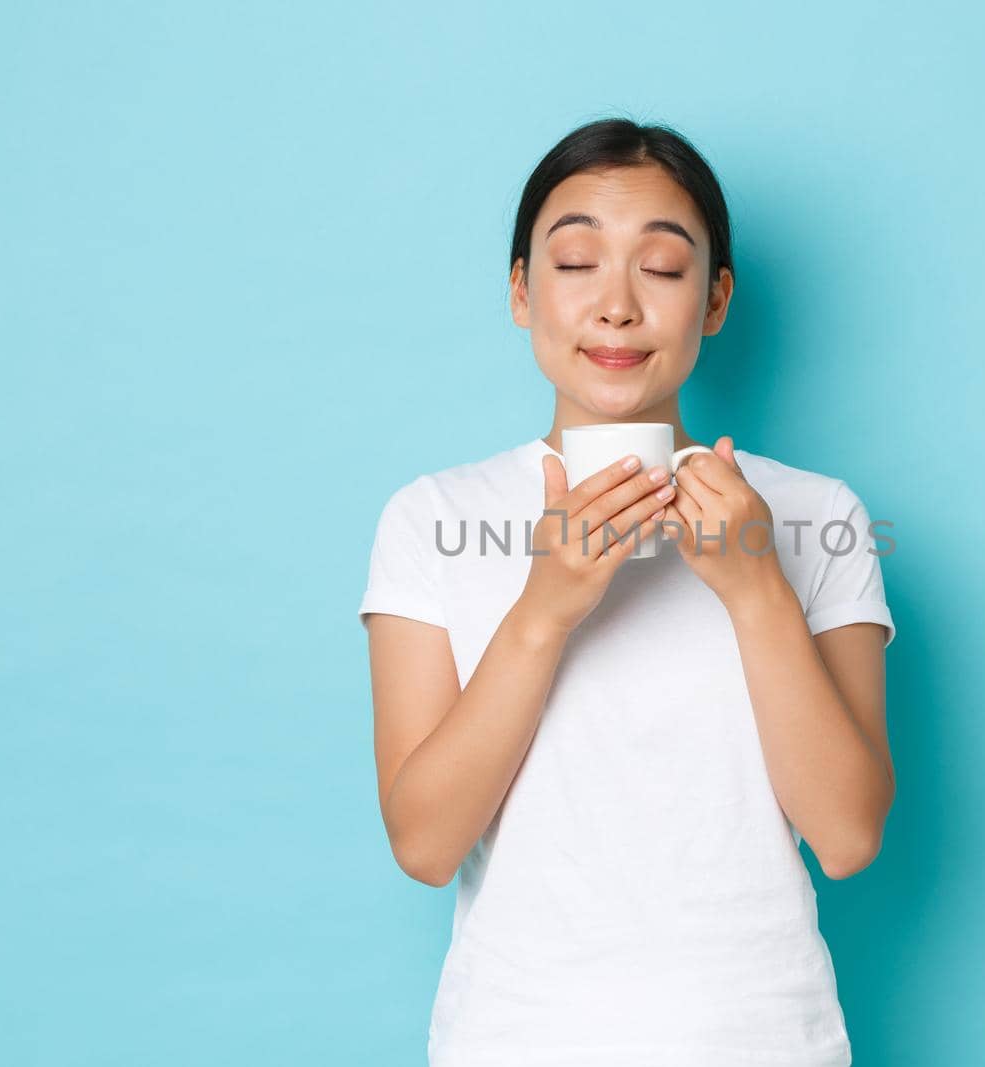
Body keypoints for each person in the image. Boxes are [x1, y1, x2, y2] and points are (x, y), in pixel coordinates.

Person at [359, 116, 897, 1066]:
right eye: (574, 263)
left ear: (716, 298)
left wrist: (757, 586)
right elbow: (426, 842)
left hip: (766, 1040)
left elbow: (849, 834)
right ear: (522, 292)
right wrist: (543, 611)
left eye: (661, 267)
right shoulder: (433, 514)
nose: (616, 306)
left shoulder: (817, 515)